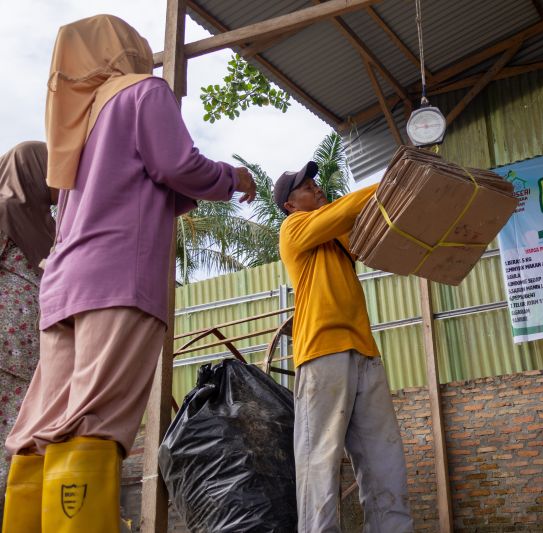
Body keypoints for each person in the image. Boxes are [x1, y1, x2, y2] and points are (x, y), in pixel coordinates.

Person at [2, 15, 256, 533]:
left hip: (63, 285)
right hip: (117, 280)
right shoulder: (143, 92)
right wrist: (233, 178)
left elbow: (131, 187)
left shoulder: (77, 123)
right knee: (95, 421)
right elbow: (177, 166)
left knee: (41, 429)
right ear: (127, 49)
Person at [276, 162, 413, 532]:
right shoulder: (293, 228)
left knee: (384, 457)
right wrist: (394, 181)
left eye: (315, 183)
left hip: (364, 350)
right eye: (306, 187)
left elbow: (371, 233)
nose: (316, 188)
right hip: (322, 351)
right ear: (290, 205)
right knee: (319, 460)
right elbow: (348, 208)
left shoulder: (338, 238)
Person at [0, 141, 57, 524]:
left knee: (20, 436)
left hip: (30, 355)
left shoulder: (47, 224)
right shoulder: (8, 211)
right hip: (12, 352)